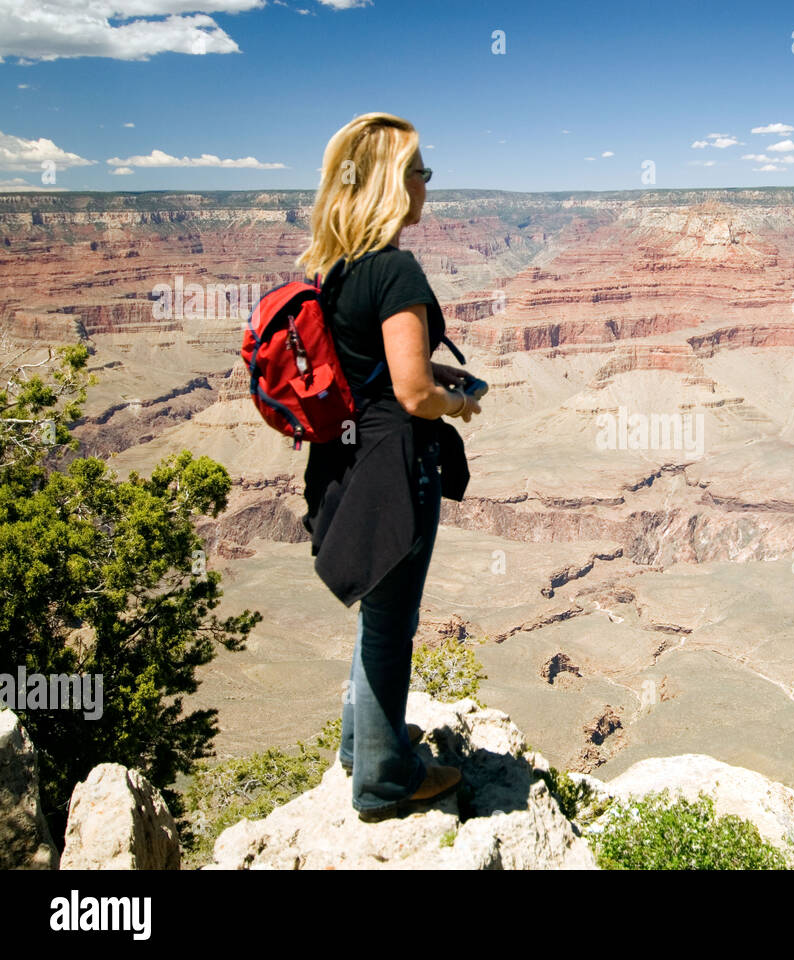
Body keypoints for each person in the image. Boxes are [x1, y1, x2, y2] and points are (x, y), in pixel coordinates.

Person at [296, 112, 483, 822]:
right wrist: (456, 403)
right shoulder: (397, 268)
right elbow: (410, 394)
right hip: (395, 466)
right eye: (420, 171)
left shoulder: (337, 267)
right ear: (392, 184)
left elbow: (369, 369)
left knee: (377, 615)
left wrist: (423, 377)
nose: (428, 184)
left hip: (345, 458)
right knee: (391, 624)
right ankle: (383, 783)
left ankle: (360, 747)